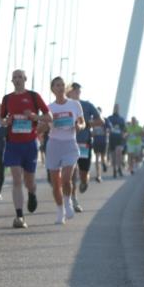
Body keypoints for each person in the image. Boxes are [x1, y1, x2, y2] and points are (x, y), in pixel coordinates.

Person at [0, 69, 50, 228]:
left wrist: (35, 117)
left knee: (29, 181)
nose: (17, 79)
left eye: (20, 77)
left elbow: (49, 117)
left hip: (30, 144)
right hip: (13, 144)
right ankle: (19, 216)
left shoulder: (34, 96)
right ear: (12, 80)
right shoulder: (7, 99)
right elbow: (1, 120)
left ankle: (32, 193)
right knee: (16, 179)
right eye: (15, 77)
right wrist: (6, 122)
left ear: (25, 79)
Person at [44, 76, 84, 225]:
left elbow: (82, 122)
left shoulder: (74, 104)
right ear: (53, 89)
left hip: (70, 145)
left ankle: (68, 203)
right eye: (57, 85)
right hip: (54, 145)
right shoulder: (49, 108)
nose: (60, 88)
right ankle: (60, 211)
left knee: (66, 179)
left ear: (65, 88)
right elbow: (43, 126)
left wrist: (79, 126)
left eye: (62, 85)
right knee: (56, 184)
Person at [66, 82, 103, 213]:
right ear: (68, 92)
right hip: (68, 143)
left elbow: (101, 121)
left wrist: (87, 124)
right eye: (74, 91)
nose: (76, 93)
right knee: (72, 173)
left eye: (78, 91)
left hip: (84, 143)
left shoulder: (87, 105)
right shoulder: (64, 105)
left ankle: (84, 182)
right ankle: (73, 199)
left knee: (83, 174)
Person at [106, 104, 127, 178]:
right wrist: (108, 131)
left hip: (119, 139)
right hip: (112, 138)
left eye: (117, 108)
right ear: (113, 108)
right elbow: (106, 127)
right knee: (113, 156)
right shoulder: (109, 118)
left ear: (119, 109)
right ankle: (114, 170)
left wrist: (124, 135)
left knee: (119, 154)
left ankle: (119, 168)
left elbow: (125, 130)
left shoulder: (121, 119)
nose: (116, 109)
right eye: (115, 108)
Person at [90, 105, 108, 183]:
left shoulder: (105, 120)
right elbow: (91, 132)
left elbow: (108, 130)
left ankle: (104, 164)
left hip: (103, 141)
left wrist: (105, 131)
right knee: (97, 158)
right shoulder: (92, 120)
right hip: (96, 141)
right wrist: (92, 133)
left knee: (103, 158)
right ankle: (98, 175)